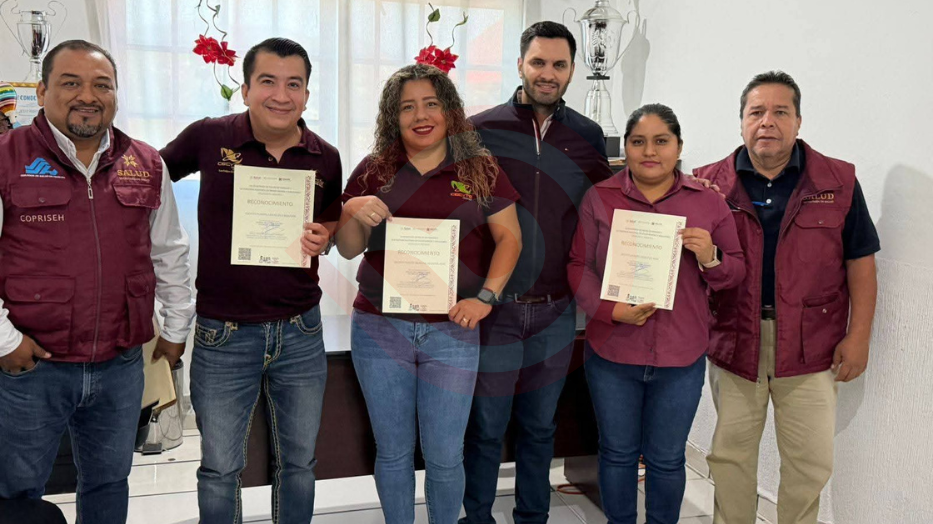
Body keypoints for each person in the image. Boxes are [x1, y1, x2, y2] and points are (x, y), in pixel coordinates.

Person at [0, 40, 194, 524]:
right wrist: (4, 341)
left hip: (120, 364)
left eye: (101, 85)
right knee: (15, 492)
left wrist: (176, 328)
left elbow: (169, 250)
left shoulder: (146, 162)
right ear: (42, 91)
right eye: (71, 83)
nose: (87, 96)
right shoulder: (6, 157)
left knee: (109, 482)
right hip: (31, 366)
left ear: (115, 95)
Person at [160, 38, 342, 524]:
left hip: (301, 331)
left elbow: (330, 223)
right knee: (220, 469)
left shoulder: (325, 156)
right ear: (244, 89)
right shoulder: (208, 137)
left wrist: (325, 236)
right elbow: (148, 178)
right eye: (267, 81)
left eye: (294, 84)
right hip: (223, 334)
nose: (281, 95)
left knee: (299, 464)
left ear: (307, 94)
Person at [336, 63, 522, 524]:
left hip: (453, 332)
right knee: (392, 451)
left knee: (444, 455)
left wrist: (486, 298)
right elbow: (348, 248)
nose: (420, 115)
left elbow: (510, 239)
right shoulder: (374, 169)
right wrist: (352, 209)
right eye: (407, 107)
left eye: (431, 104)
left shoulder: (480, 168)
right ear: (393, 117)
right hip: (380, 328)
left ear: (449, 110)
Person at [694, 71, 880, 524]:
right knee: (730, 457)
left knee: (809, 464)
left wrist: (859, 337)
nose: (768, 122)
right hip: (735, 339)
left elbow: (860, 261)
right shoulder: (708, 185)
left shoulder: (838, 182)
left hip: (811, 344)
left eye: (780, 112)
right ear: (741, 121)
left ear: (799, 121)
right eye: (756, 112)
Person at [461, 21, 613, 524]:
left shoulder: (587, 136)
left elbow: (611, 204)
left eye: (559, 65)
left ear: (571, 70)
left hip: (556, 310)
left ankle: (533, 517)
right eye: (539, 62)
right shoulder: (480, 130)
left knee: (540, 427)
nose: (548, 73)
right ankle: (477, 517)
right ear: (520, 64)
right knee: (486, 427)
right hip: (495, 309)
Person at [567, 104, 746, 524]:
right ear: (626, 148)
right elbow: (578, 266)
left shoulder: (708, 202)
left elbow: (735, 272)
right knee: (617, 453)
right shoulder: (600, 197)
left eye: (661, 141)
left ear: (679, 147)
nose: (650, 151)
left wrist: (710, 256)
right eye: (638, 142)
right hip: (613, 353)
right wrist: (612, 311)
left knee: (666, 459)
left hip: (680, 357)